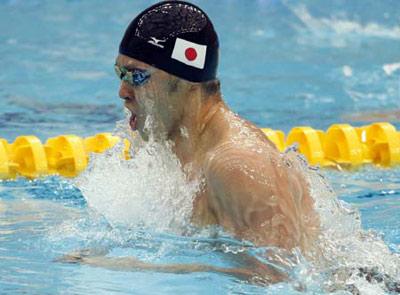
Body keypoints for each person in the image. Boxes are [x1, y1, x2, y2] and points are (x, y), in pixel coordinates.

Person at [60, 0, 320, 284]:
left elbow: (284, 280)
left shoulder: (239, 166)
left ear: (185, 82)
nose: (122, 91)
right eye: (120, 74)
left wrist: (130, 266)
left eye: (137, 76)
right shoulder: (173, 143)